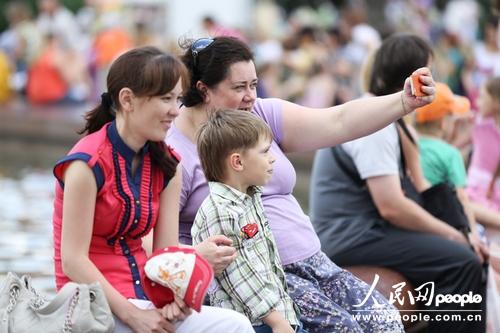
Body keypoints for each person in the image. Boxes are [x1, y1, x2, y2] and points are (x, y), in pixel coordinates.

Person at [166, 36, 429, 332]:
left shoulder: (258, 114)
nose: (250, 96)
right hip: (259, 277)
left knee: (384, 319)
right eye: (239, 88)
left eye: (254, 84)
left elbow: (339, 120)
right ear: (203, 90)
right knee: (343, 328)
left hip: (313, 259)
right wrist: (196, 254)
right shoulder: (175, 152)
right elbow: (155, 239)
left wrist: (404, 102)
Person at [52, 46, 254, 333]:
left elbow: (165, 255)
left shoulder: (168, 165)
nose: (175, 110)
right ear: (127, 99)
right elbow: (73, 262)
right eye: (165, 98)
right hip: (87, 304)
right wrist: (134, 315)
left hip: (144, 300)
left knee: (235, 325)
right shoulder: (87, 165)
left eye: (177, 98)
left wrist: (174, 299)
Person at [310, 34, 486, 333]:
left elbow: (423, 187)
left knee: (460, 252)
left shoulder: (391, 118)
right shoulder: (374, 122)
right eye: (431, 72)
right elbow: (392, 206)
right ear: (415, 76)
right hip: (351, 234)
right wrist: (454, 237)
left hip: (364, 229)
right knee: (461, 262)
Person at [192, 109, 306, 333]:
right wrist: (276, 321)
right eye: (264, 152)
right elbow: (237, 276)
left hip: (277, 313)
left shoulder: (250, 197)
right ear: (237, 162)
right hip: (254, 323)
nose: (272, 157)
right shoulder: (220, 211)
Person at [414, 82, 489, 261]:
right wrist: (473, 234)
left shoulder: (411, 144)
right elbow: (462, 197)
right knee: (482, 234)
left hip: (419, 219)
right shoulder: (450, 154)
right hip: (446, 221)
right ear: (443, 122)